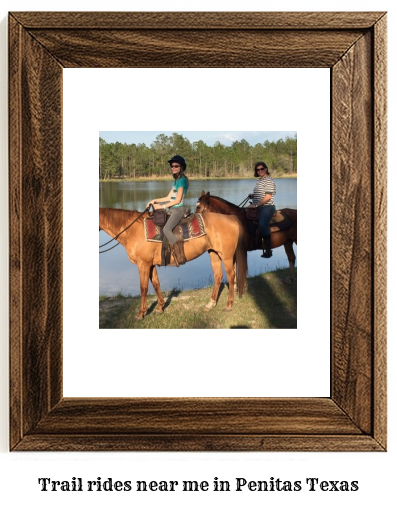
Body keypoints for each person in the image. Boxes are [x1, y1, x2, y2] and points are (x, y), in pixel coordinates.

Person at [147, 155, 189, 267]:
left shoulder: (183, 181)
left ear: (182, 167)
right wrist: (154, 200)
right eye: (172, 166)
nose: (173, 168)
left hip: (178, 210)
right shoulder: (176, 181)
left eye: (176, 166)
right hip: (172, 208)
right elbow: (168, 197)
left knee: (167, 229)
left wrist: (163, 207)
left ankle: (179, 254)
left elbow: (177, 200)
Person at [248, 161, 276, 258]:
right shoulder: (259, 180)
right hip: (258, 206)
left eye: (261, 169)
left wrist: (255, 206)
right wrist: (253, 195)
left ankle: (268, 250)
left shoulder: (269, 180)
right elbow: (261, 193)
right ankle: (253, 242)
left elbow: (268, 197)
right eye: (258, 169)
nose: (260, 171)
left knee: (262, 225)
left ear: (266, 169)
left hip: (267, 207)